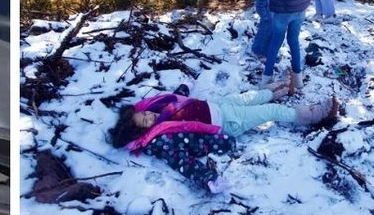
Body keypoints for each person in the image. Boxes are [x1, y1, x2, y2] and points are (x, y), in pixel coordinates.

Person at [108, 83, 337, 194]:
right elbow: (181, 161)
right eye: (146, 120)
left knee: (252, 96)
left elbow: (177, 105)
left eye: (145, 113)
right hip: (228, 122)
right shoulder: (161, 141)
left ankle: (283, 88)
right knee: (270, 111)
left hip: (219, 105)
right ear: (144, 132)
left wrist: (182, 90)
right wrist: (208, 177)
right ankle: (312, 115)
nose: (150, 115)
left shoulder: (158, 111)